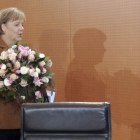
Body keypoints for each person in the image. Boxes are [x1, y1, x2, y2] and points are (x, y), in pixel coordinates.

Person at [0, 7, 25, 140]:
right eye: (16, 24)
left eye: (22, 25)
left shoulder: (23, 52)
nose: (21, 28)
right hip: (3, 122)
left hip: (21, 120)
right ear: (3, 27)